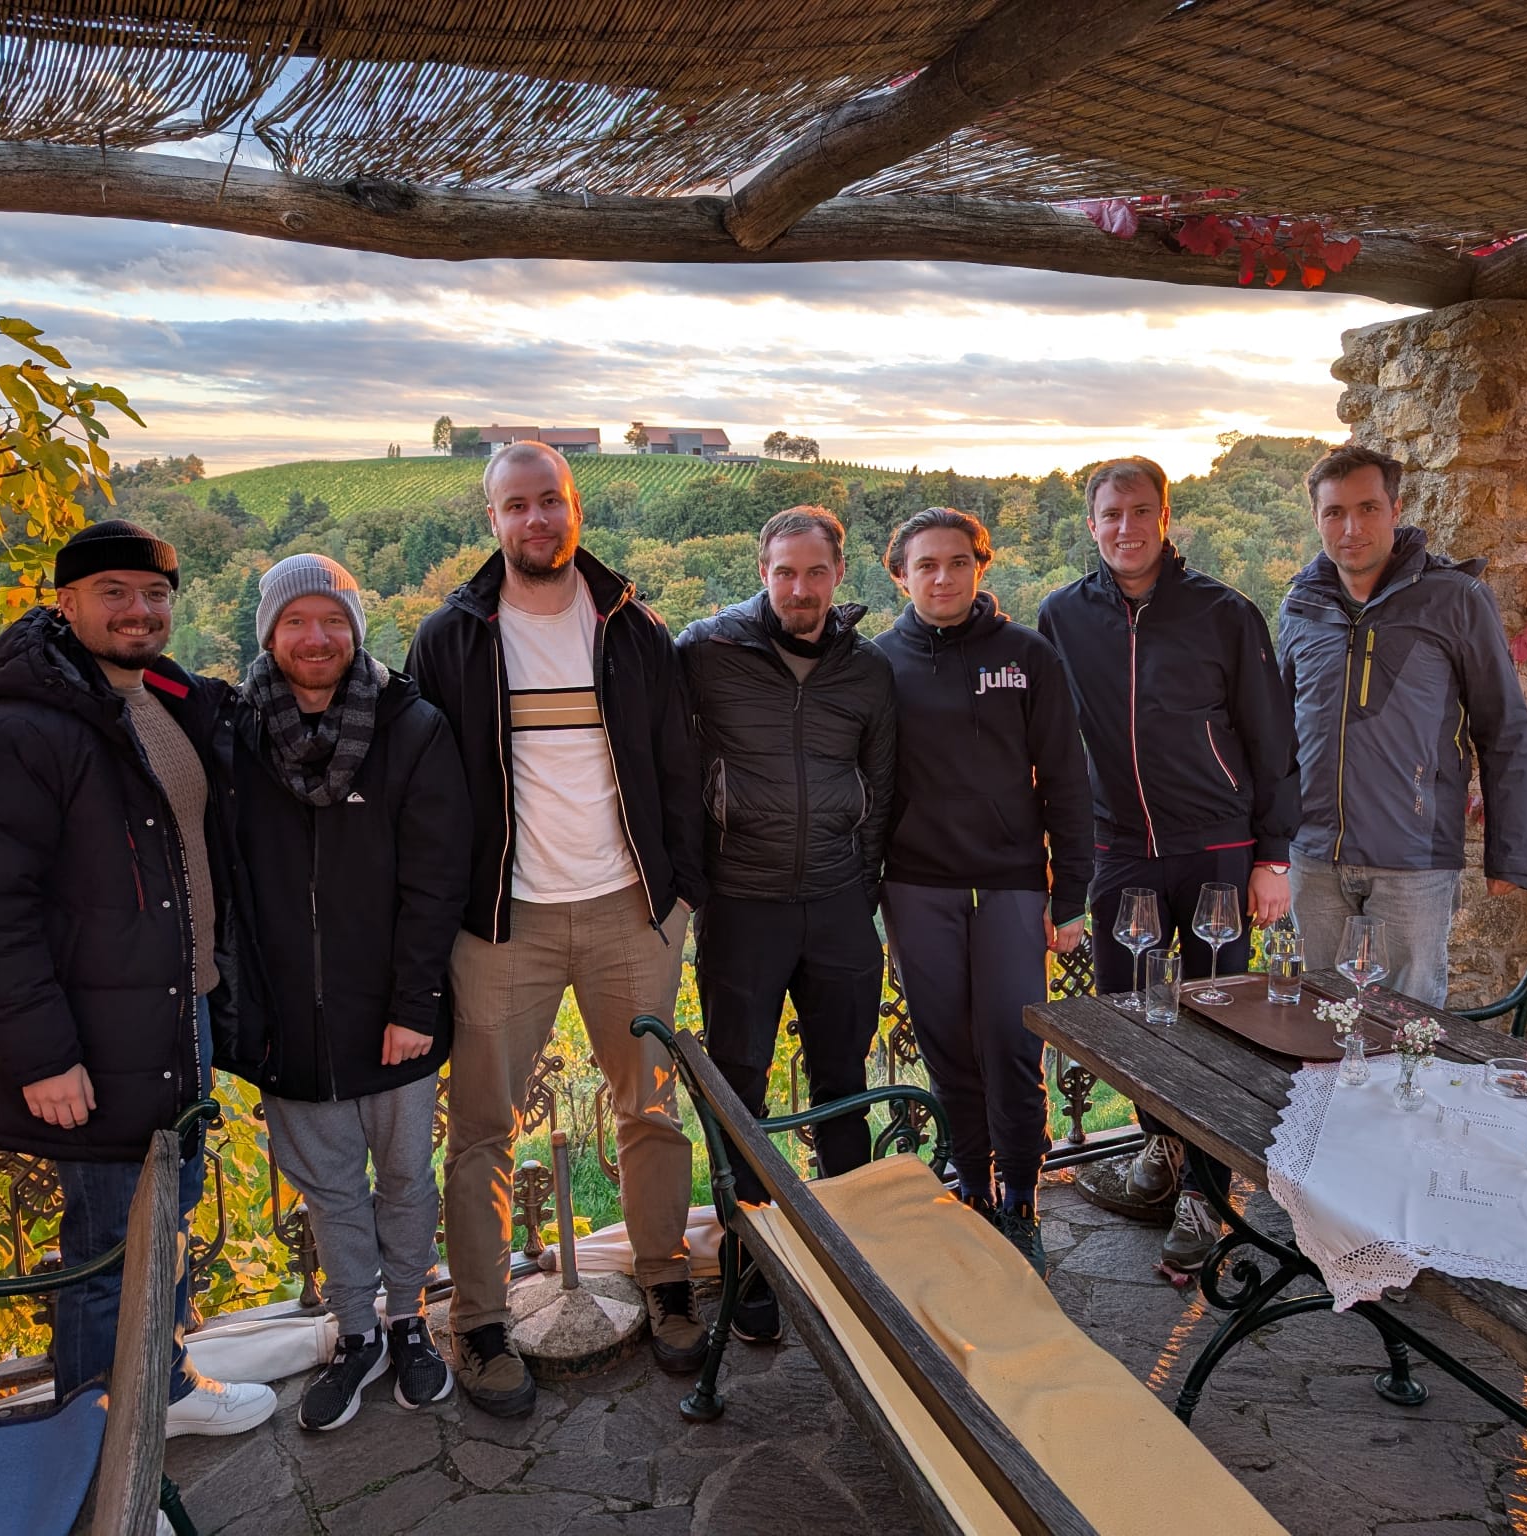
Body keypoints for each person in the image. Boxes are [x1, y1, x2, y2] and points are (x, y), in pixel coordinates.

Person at [0, 519, 275, 1438]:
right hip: (89, 1036)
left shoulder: (167, 700)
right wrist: (44, 1056)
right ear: (65, 602)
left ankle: (161, 1391)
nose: (137, 610)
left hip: (175, 1010)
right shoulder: (17, 731)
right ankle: (94, 1447)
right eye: (112, 591)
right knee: (107, 1245)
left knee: (169, 1209)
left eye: (154, 593)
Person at [405, 441, 707, 1417]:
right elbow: (428, 792)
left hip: (631, 913)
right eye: (516, 506)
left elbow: (678, 765)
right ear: (491, 520)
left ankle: (666, 1281)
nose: (537, 520)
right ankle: (481, 1321)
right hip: (503, 923)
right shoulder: (452, 638)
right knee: (484, 1128)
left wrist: (680, 897)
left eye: (552, 501)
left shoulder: (629, 626)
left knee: (650, 1109)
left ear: (575, 507)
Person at [1037, 457, 1299, 1274]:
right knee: (1137, 1018)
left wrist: (1274, 858)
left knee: (1217, 1020)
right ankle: (1159, 1161)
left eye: (1141, 511)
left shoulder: (1225, 613)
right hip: (1120, 852)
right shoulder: (1062, 618)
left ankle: (1206, 1195)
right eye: (1111, 513)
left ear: (1165, 516)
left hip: (1219, 848)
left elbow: (1269, 737)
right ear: (1092, 524)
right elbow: (1043, 741)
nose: (1126, 527)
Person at [229, 554, 469, 1431]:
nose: (316, 637)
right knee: (330, 1190)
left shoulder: (412, 728)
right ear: (270, 633)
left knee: (406, 1177)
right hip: (289, 1021)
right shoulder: (236, 734)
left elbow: (437, 878)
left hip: (392, 1017)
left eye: (333, 619)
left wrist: (415, 1007)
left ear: (356, 629)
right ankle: (355, 1333)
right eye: (297, 621)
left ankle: (409, 1322)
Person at [677, 506, 896, 1343]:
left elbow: (882, 784)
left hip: (840, 906)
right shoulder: (707, 651)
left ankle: (847, 1252)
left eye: (814, 573)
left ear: (839, 576)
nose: (799, 589)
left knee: (845, 1082)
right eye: (783, 573)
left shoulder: (868, 671)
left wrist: (859, 884)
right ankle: (752, 1259)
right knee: (741, 1093)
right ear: (761, 570)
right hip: (742, 907)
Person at [872, 507, 1093, 1275]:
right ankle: (972, 1186)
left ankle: (1022, 1201)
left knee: (1013, 1045)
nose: (942, 577)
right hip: (916, 886)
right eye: (925, 564)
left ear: (980, 568)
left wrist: (1071, 896)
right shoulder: (878, 664)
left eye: (957, 562)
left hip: (1010, 885)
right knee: (948, 1050)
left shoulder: (1027, 656)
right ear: (899, 574)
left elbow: (1067, 778)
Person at [1278, 444, 1527, 1005]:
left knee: (1405, 1027)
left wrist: (1510, 854)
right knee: (1322, 1020)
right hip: (1313, 856)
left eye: (1368, 508)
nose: (1352, 527)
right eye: (1335, 512)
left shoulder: (1456, 599)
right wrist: (1273, 843)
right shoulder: (1301, 603)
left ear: (1396, 510)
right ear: (1317, 519)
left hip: (1413, 861)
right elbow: (1277, 732)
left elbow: (1505, 729)